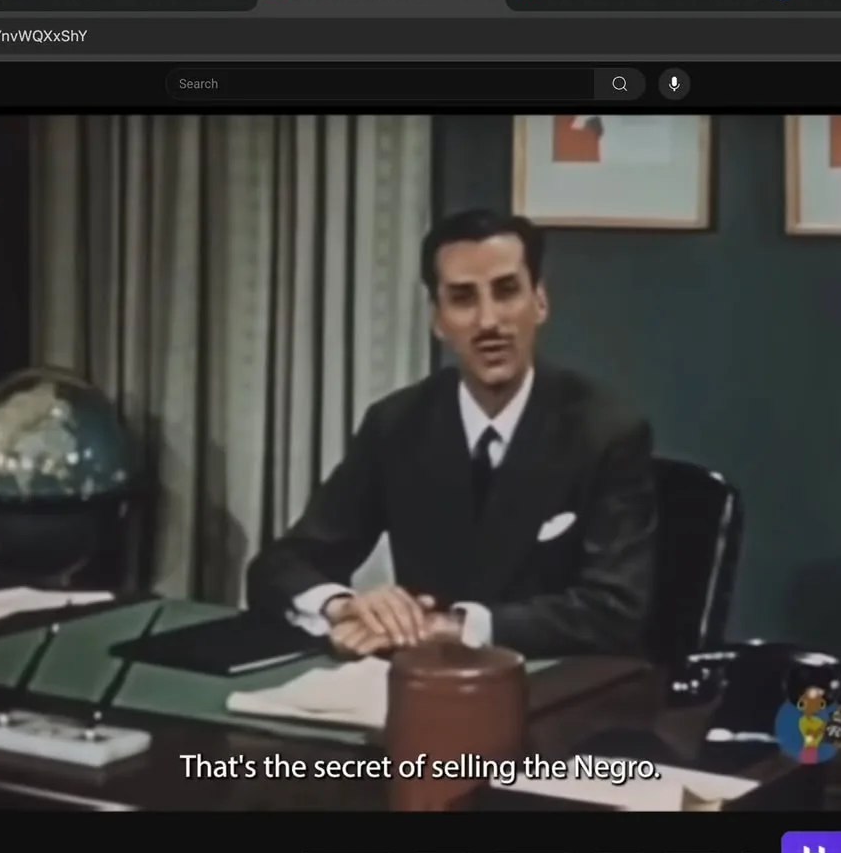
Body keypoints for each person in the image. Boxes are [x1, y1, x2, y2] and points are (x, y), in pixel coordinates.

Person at [245, 208, 656, 659]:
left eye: (506, 292)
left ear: (539, 302)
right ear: (437, 319)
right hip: (422, 687)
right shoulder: (398, 424)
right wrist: (345, 607)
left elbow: (613, 612)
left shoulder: (605, 431)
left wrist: (452, 626)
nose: (488, 322)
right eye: (462, 298)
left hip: (548, 690)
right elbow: (282, 566)